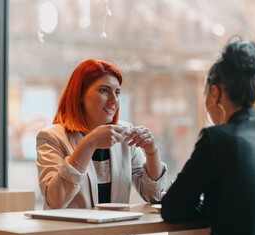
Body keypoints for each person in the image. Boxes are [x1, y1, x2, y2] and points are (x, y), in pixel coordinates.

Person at [161, 39, 255, 235]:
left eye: (206, 94)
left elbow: (172, 208)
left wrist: (209, 204)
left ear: (215, 93)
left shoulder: (217, 138)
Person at [36, 59, 166, 213]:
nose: (114, 100)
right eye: (104, 90)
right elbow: (54, 200)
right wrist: (89, 143)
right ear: (79, 95)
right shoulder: (52, 137)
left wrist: (151, 151)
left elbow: (153, 195)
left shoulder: (124, 132)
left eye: (117, 92)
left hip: (116, 234)